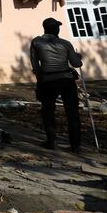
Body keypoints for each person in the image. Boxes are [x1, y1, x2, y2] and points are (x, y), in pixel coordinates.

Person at [29, 17, 83, 152]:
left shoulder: (36, 42)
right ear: (57, 29)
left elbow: (35, 66)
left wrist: (40, 81)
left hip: (47, 81)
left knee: (48, 111)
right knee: (72, 113)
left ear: (45, 28)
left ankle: (51, 141)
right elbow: (76, 64)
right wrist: (79, 57)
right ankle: (75, 145)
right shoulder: (65, 43)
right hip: (66, 80)